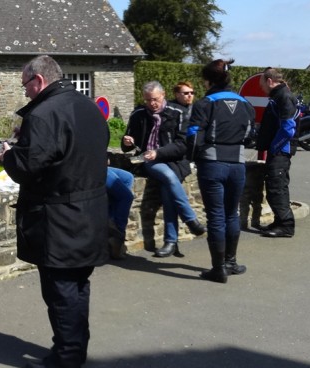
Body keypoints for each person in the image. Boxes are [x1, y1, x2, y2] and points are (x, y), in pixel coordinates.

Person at [0, 55, 108, 368]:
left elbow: (29, 169)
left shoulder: (43, 114)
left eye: (25, 86)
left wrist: (9, 155)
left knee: (61, 290)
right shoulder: (88, 108)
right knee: (78, 285)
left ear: (39, 81)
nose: (25, 93)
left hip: (60, 217)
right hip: (91, 210)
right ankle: (75, 348)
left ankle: (66, 358)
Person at [187, 59, 256, 283]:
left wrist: (192, 159)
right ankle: (231, 263)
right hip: (237, 164)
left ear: (207, 81)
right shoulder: (245, 104)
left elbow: (193, 138)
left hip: (212, 165)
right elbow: (251, 136)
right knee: (231, 214)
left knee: (216, 217)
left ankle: (218, 269)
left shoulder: (204, 104)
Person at [121, 81, 205, 258]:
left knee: (169, 192)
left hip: (175, 161)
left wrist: (158, 152)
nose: (152, 103)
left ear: (164, 95)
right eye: (148, 100)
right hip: (149, 161)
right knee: (167, 176)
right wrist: (127, 141)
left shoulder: (178, 113)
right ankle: (190, 220)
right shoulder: (138, 114)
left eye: (155, 99)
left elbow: (182, 145)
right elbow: (128, 146)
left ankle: (171, 242)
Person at [256, 67, 297, 238]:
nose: (262, 88)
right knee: (275, 186)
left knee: (277, 187)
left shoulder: (284, 96)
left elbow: (288, 129)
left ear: (270, 81)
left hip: (281, 151)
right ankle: (279, 221)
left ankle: (286, 226)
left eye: (262, 84)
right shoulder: (278, 96)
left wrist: (274, 147)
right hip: (278, 150)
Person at [106, 166, 134, 259]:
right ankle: (118, 237)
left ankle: (111, 223)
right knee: (126, 197)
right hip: (88, 166)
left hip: (99, 163)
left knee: (128, 178)